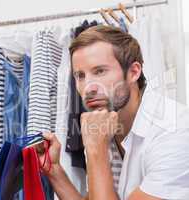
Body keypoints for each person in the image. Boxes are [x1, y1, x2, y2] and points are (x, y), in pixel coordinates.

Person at [37, 25, 189, 200]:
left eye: (100, 71)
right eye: (80, 76)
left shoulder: (175, 131)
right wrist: (53, 169)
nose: (88, 88)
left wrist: (96, 150)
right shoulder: (103, 126)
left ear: (134, 72)